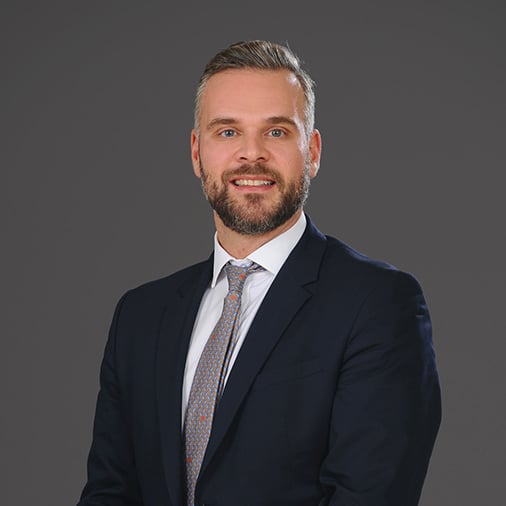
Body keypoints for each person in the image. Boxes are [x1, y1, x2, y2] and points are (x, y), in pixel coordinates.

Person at [77, 40, 441, 506]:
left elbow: (369, 495)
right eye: (228, 131)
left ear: (312, 151)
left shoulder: (378, 305)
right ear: (197, 153)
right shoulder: (140, 316)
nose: (251, 154)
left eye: (276, 132)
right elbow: (109, 492)